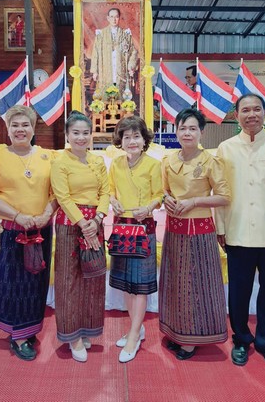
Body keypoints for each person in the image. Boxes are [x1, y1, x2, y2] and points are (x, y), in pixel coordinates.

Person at [0, 105, 57, 362]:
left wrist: (47, 212)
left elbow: (57, 191)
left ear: (33, 129)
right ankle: (18, 336)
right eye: (15, 126)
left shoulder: (49, 157)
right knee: (12, 282)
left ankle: (30, 327)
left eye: (25, 125)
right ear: (8, 129)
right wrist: (17, 216)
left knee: (37, 280)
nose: (20, 130)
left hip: (41, 228)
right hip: (8, 231)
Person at [215, 94, 265, 370]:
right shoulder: (225, 148)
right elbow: (220, 191)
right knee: (239, 291)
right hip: (237, 231)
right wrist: (220, 227)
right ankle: (242, 339)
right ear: (236, 115)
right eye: (245, 110)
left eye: (257, 109)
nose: (252, 114)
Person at [159, 108, 230, 360]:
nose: (186, 133)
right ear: (175, 130)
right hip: (174, 231)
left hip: (199, 234)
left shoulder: (210, 161)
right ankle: (177, 332)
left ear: (201, 132)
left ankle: (193, 338)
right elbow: (163, 190)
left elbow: (224, 197)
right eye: (182, 128)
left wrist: (195, 202)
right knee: (175, 283)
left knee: (198, 287)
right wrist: (166, 199)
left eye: (192, 128)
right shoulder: (168, 160)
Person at [51, 111, 109, 362]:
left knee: (92, 280)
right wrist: (83, 222)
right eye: (76, 133)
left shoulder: (97, 161)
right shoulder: (60, 162)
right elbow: (62, 197)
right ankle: (72, 336)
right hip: (70, 226)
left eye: (86, 133)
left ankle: (86, 328)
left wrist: (97, 219)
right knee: (69, 281)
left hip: (95, 225)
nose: (81, 137)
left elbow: (106, 191)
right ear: (67, 135)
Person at [109, 116, 163, 363]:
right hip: (122, 228)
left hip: (143, 228)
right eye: (127, 136)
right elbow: (109, 190)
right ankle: (136, 328)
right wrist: (113, 201)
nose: (132, 141)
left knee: (140, 284)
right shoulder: (116, 164)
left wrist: (149, 207)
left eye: (136, 136)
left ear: (144, 140)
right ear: (120, 140)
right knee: (126, 283)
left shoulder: (153, 165)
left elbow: (159, 195)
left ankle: (133, 335)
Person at [90, 7, 138, 96]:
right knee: (105, 96)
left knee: (121, 97)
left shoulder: (125, 34)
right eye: (111, 17)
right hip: (105, 70)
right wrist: (95, 71)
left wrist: (131, 67)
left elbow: (133, 51)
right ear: (108, 18)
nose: (114, 19)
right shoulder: (101, 34)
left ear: (119, 18)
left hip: (120, 71)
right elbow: (95, 52)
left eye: (116, 17)